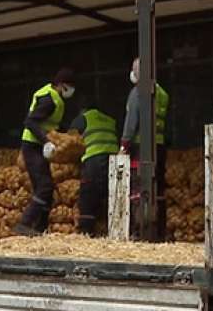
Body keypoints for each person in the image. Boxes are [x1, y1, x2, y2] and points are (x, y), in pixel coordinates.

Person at [14, 67, 75, 236]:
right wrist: (46, 141)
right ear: (62, 84)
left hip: (38, 146)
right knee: (45, 187)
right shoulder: (49, 99)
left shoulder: (56, 98)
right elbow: (31, 122)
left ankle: (40, 228)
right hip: (33, 145)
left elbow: (52, 125)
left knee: (46, 188)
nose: (71, 91)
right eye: (70, 87)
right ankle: (24, 224)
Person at [120, 57, 169, 240]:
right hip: (160, 145)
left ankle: (139, 232)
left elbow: (131, 122)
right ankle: (159, 232)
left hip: (141, 148)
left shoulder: (138, 92)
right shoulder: (162, 93)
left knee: (138, 189)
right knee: (159, 189)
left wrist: (124, 145)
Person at [68, 103, 119, 236]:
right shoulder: (110, 119)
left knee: (88, 194)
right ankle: (111, 230)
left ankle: (86, 231)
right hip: (114, 160)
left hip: (94, 158)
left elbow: (69, 141)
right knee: (109, 194)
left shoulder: (83, 118)